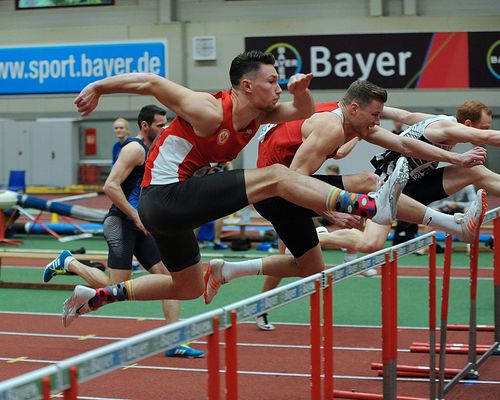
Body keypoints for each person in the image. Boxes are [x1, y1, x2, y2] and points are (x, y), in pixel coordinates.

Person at [61, 51, 411, 327]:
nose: (278, 88)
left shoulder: (257, 116)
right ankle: (367, 206)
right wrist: (99, 87)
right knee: (274, 175)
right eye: (272, 81)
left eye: (279, 82)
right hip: (164, 198)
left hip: (175, 212)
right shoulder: (210, 110)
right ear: (247, 85)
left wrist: (301, 93)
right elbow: (152, 82)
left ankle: (98, 296)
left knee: (189, 287)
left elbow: (298, 114)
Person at [233, 81, 488, 330]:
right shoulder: (330, 126)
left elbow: (403, 144)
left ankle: (230, 272)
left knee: (309, 266)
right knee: (369, 181)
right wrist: (331, 210)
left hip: (281, 191)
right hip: (274, 193)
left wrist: (456, 157)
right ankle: (454, 226)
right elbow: (295, 180)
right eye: (375, 115)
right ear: (354, 108)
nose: (377, 121)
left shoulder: (354, 123)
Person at [44, 105, 204, 357]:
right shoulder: (134, 149)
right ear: (144, 126)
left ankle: (173, 340)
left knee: (172, 281)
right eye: (160, 125)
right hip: (120, 223)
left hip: (140, 225)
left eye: (165, 124)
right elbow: (110, 186)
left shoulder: (156, 150)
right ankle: (70, 262)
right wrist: (135, 216)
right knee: (114, 287)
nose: (164, 129)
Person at [315, 100, 495, 260]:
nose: (487, 131)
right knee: (371, 244)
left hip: (416, 183)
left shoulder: (441, 119)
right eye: (485, 127)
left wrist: (373, 109)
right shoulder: (446, 128)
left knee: (475, 171)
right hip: (390, 185)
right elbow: (488, 137)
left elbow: (405, 115)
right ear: (468, 124)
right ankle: (323, 237)